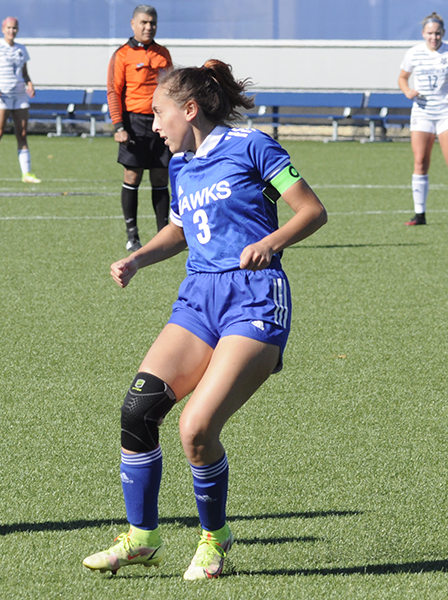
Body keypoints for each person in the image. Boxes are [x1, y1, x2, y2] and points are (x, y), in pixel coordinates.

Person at [82, 60, 327, 580]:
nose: (154, 125)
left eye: (159, 114)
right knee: (138, 412)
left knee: (196, 429)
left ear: (189, 110)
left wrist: (270, 242)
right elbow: (180, 230)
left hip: (255, 301)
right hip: (198, 299)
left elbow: (312, 210)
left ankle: (215, 539)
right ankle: (141, 539)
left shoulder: (253, 146)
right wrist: (138, 259)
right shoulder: (180, 165)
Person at [398, 11, 448, 226]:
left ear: (443, 33)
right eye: (430, 33)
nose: (434, 38)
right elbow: (402, 77)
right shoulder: (414, 53)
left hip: (447, 114)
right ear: (423, 33)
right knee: (420, 162)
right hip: (422, 113)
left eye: (438, 33)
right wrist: (407, 91)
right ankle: (419, 215)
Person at [107, 4, 173, 252]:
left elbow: (171, 91)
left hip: (160, 123)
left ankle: (163, 235)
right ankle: (132, 236)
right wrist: (118, 125)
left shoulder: (163, 53)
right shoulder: (122, 55)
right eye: (144, 23)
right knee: (132, 176)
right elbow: (114, 91)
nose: (148, 27)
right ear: (133, 24)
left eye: (152, 23)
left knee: (160, 176)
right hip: (132, 124)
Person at [0, 16, 40, 184]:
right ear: (3, 29)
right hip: (1, 96)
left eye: (14, 28)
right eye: (9, 28)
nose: (11, 31)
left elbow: (24, 73)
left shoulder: (21, 49)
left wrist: (29, 84)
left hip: (19, 95)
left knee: (22, 134)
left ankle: (26, 174)